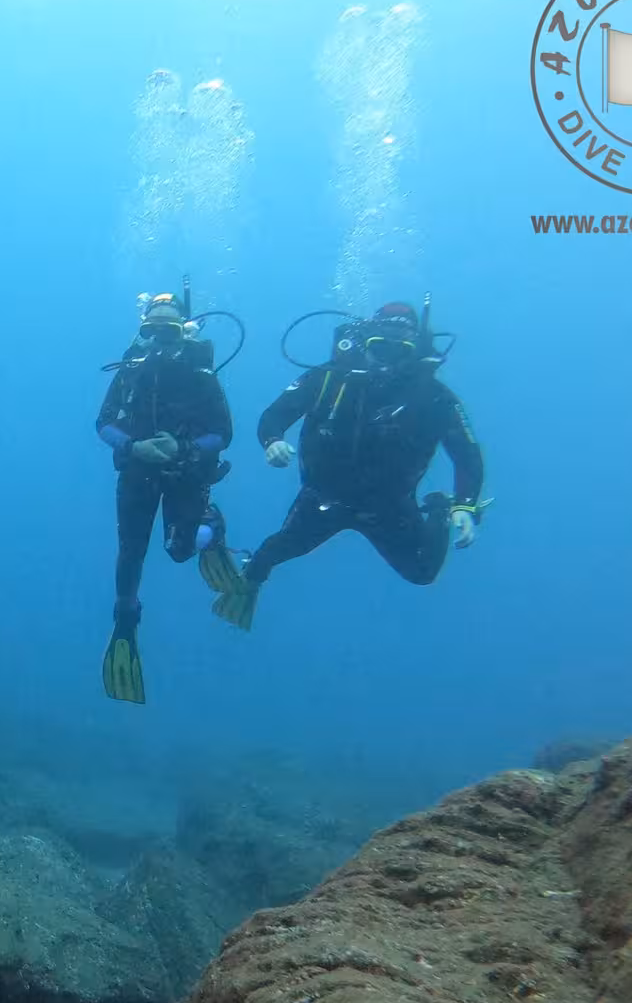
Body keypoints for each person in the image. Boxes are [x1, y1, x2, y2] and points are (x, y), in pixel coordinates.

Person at [216, 298, 486, 630]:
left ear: (414, 349)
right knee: (274, 551)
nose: (386, 362)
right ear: (364, 342)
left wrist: (464, 505)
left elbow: (466, 454)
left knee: (423, 573)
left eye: (398, 351)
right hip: (323, 498)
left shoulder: (434, 396)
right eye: (379, 348)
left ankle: (439, 509)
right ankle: (248, 581)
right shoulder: (329, 378)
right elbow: (274, 416)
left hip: (389, 507)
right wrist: (272, 441)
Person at [94, 290, 244, 703]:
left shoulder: (201, 374)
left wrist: (185, 449)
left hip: (185, 475)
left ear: (184, 331)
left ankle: (210, 527)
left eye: (169, 330)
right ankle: (126, 617)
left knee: (180, 551)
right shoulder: (131, 369)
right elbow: (104, 423)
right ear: (143, 331)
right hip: (138, 472)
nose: (160, 339)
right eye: (151, 330)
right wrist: (132, 447)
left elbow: (223, 433)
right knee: (131, 550)